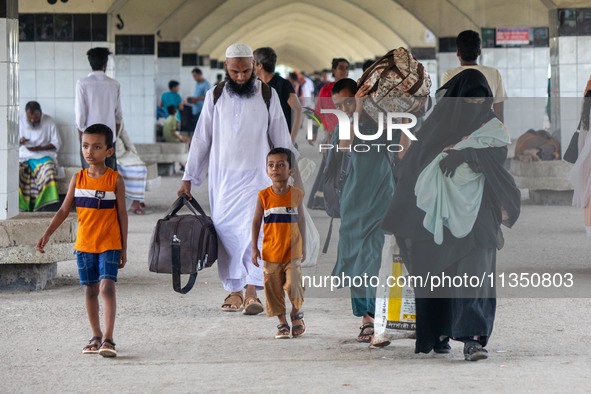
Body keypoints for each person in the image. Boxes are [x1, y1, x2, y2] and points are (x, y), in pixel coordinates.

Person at [381, 69, 520, 361]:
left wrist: (466, 154)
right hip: (435, 214)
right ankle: (440, 332)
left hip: (480, 210)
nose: (474, 106)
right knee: (437, 274)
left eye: (480, 101)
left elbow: (497, 156)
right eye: (467, 100)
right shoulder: (436, 126)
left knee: (475, 272)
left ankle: (473, 339)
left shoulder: (491, 126)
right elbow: (413, 168)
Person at [177, 43, 302, 315]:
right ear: (226, 68)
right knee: (227, 233)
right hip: (223, 179)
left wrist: (286, 174)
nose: (241, 77)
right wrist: (189, 177)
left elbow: (280, 136)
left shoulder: (267, 94)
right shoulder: (215, 95)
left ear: (254, 67)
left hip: (259, 176)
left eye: (246, 71)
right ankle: (232, 290)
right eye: (235, 72)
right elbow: (201, 139)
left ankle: (251, 290)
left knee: (255, 233)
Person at [36, 123, 128, 358]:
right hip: (85, 245)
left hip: (109, 243)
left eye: (97, 147)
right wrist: (47, 233)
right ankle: (95, 335)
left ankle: (108, 338)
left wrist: (123, 248)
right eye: (86, 146)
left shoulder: (115, 180)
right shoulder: (78, 179)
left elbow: (122, 215)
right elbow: (64, 210)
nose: (89, 152)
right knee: (89, 290)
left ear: (109, 151)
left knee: (106, 287)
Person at [329, 78, 395, 342]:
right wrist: (355, 110)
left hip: (381, 195)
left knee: (370, 258)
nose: (344, 107)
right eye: (339, 104)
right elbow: (345, 146)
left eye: (348, 100)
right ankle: (366, 317)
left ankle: (372, 317)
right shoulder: (345, 123)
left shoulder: (381, 119)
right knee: (354, 257)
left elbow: (402, 148)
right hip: (353, 200)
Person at [251, 148, 306, 339]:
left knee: (294, 284)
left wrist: (304, 246)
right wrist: (254, 248)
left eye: (281, 165)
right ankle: (282, 323)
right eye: (271, 165)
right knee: (273, 289)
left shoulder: (297, 195)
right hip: (270, 254)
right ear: (267, 170)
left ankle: (296, 313)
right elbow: (256, 222)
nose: (275, 169)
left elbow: (301, 221)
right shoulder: (263, 197)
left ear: (290, 170)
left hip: (293, 253)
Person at [307, 58, 350, 210]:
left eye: (346, 68)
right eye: (340, 68)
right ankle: (326, 199)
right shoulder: (326, 90)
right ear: (333, 70)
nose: (344, 71)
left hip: (350, 134)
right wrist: (312, 132)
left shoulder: (353, 88)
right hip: (331, 135)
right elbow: (318, 111)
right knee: (330, 167)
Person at [441, 30, 507, 122]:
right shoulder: (494, 74)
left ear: (458, 53)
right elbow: (499, 114)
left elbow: (446, 111)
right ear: (479, 51)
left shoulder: (448, 75)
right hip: (486, 129)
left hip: (458, 131)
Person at [75, 47, 123, 170]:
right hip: (108, 137)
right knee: (109, 174)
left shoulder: (82, 83)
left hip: (89, 137)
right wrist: (114, 137)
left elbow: (80, 115)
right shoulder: (114, 84)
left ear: (90, 63)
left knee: (90, 174)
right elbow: (118, 116)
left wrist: (82, 138)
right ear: (105, 64)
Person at [18, 101, 62, 212]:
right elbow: (10, 143)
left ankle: (44, 206)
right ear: (26, 114)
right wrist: (20, 142)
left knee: (49, 172)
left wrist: (39, 148)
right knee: (16, 173)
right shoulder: (19, 121)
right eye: (30, 118)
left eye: (35, 118)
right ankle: (20, 207)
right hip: (24, 156)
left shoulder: (49, 121)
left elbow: (57, 143)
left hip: (44, 156)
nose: (32, 120)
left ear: (41, 113)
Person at [253, 47, 303, 142]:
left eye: (253, 63)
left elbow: (298, 110)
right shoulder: (255, 86)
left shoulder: (283, 84)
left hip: (281, 140)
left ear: (260, 65)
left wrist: (291, 138)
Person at [568, 77, 591, 236]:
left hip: (587, 153)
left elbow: (584, 131)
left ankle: (589, 228)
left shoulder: (588, 93)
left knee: (588, 192)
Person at [116, 126, 148, 215]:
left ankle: (136, 201)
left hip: (122, 153)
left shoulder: (117, 118)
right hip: (108, 154)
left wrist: (134, 153)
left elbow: (125, 137)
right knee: (119, 171)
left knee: (141, 168)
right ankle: (125, 204)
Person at [186, 68, 211, 132]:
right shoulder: (197, 84)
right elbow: (198, 96)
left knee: (200, 130)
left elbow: (207, 96)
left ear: (200, 74)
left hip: (201, 110)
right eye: (193, 76)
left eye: (195, 76)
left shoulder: (206, 84)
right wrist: (193, 100)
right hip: (196, 110)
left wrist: (196, 99)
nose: (194, 78)